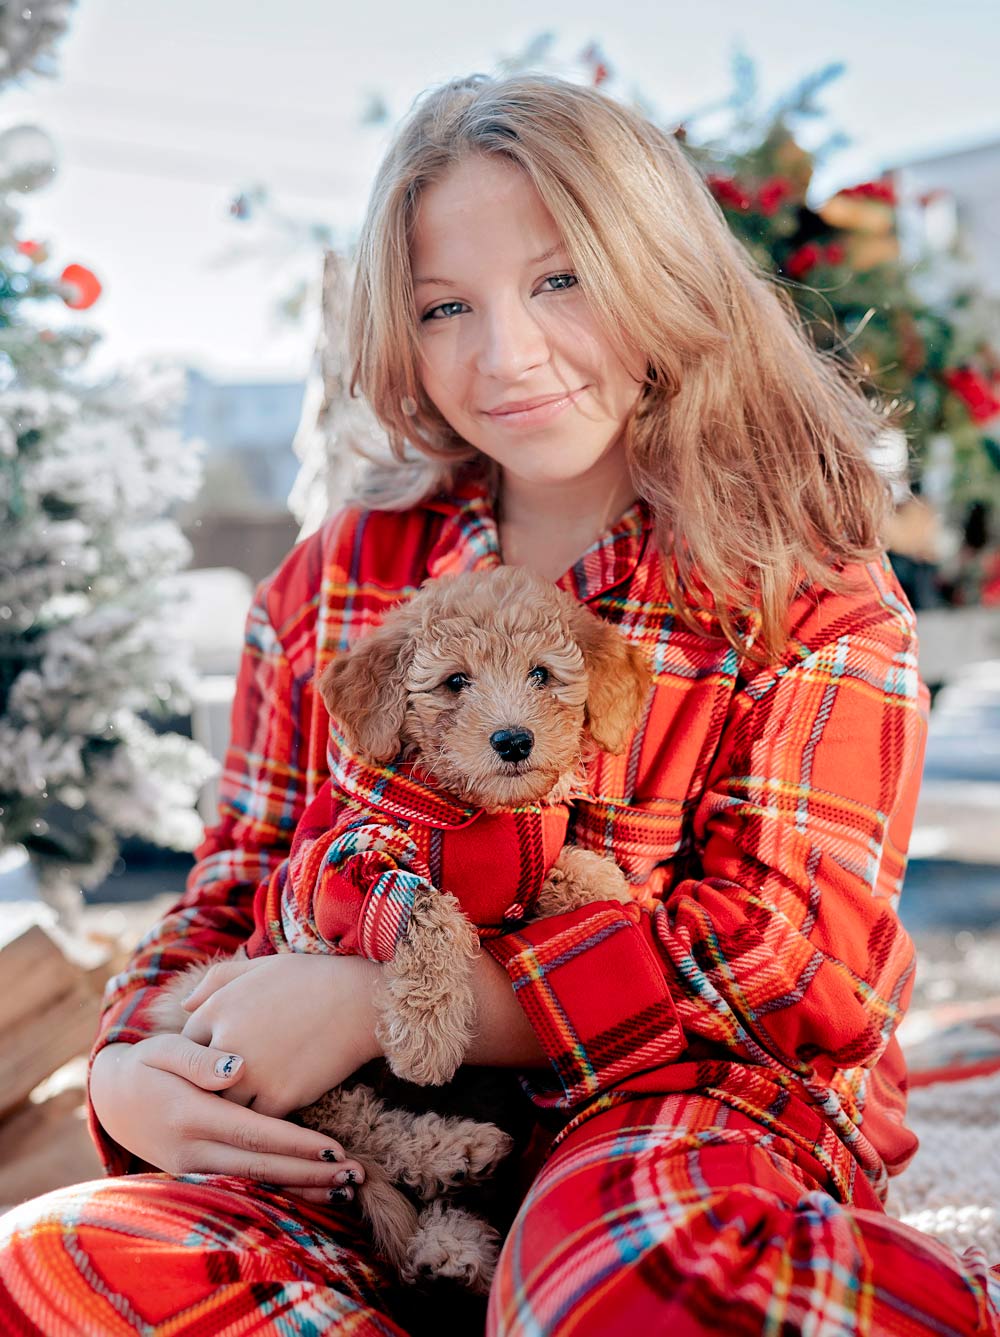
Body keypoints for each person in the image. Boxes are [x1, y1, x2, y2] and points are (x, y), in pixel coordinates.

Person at [2, 71, 999, 1337]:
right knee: (58, 1261)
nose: (505, 353)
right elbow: (232, 879)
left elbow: (786, 967)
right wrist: (136, 1065)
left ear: (661, 270)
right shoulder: (335, 583)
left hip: (683, 1101)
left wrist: (394, 996)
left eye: (560, 279)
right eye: (443, 307)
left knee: (612, 1272)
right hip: (371, 1142)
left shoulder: (793, 579)